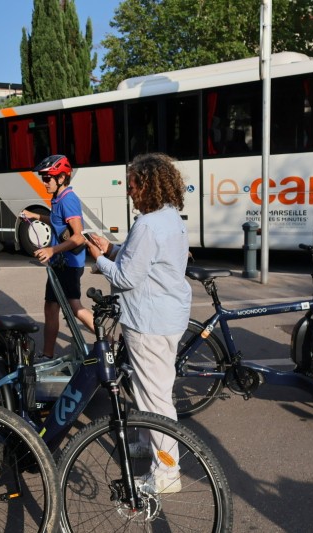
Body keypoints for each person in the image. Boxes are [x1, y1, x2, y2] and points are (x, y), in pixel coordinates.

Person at [85, 152, 191, 494]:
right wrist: (113, 247)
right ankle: (149, 443)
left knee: (155, 399)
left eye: (133, 185)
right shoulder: (169, 216)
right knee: (152, 391)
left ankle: (167, 473)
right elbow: (143, 259)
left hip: (149, 322)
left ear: (147, 185)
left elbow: (128, 277)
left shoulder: (147, 223)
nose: (129, 191)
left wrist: (99, 258)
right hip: (166, 315)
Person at [21, 154, 94, 360]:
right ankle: (48, 354)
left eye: (47, 178)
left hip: (68, 264)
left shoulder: (68, 199)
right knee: (51, 307)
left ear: (62, 178)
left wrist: (52, 250)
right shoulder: (58, 198)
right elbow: (57, 221)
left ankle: (109, 343)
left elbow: (79, 236)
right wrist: (36, 216)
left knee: (75, 308)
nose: (44, 182)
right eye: (43, 178)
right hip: (60, 264)